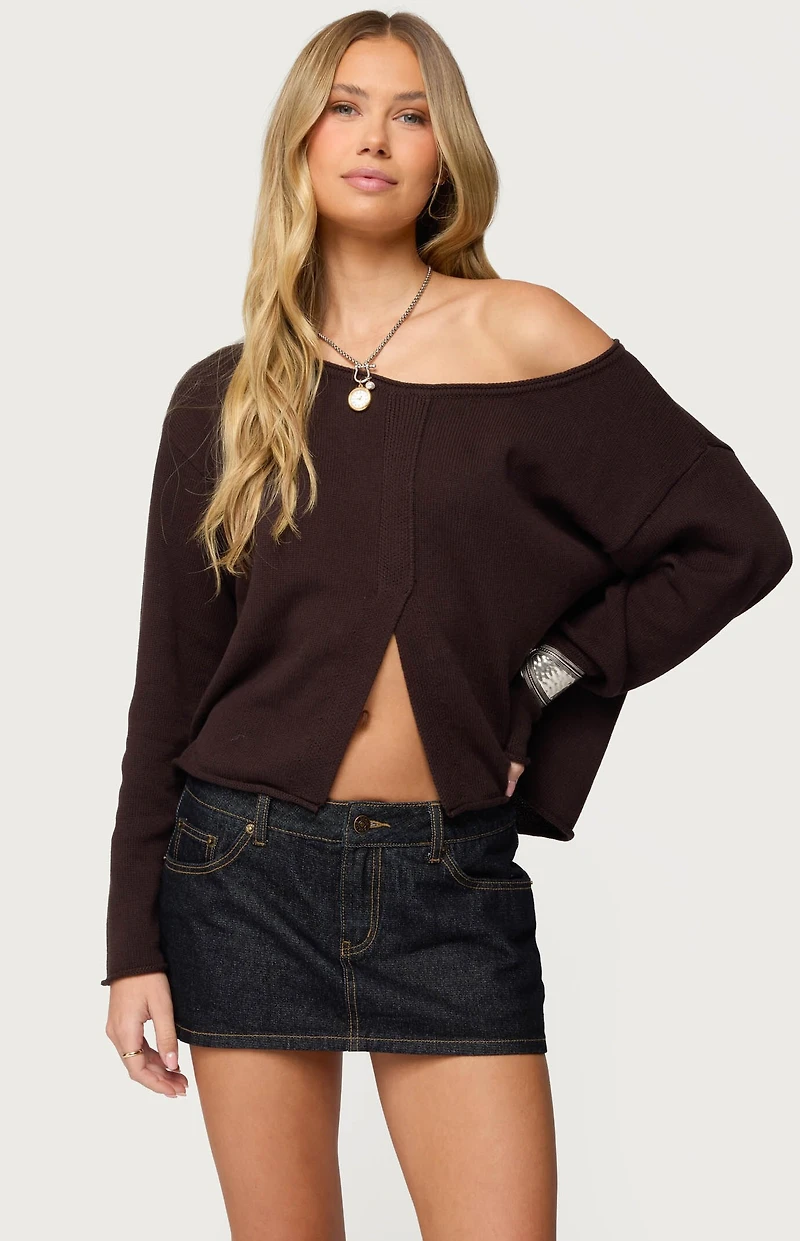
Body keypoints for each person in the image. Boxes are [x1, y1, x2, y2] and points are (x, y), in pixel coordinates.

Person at [102, 11, 793, 1241]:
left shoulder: (522, 333)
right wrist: (129, 946)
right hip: (237, 870)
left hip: (447, 875)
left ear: (443, 156)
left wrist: (549, 676)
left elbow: (734, 541)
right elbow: (171, 685)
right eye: (345, 106)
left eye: (410, 113)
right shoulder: (223, 393)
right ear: (299, 139)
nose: (374, 136)